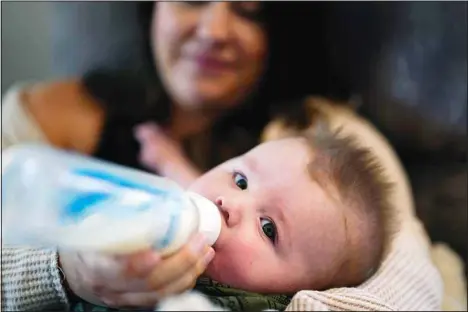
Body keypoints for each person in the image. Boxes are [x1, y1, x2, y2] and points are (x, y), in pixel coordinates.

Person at [1, 2, 331, 311]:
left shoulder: (324, 139)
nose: (213, 31)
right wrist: (62, 271)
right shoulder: (49, 115)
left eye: (248, 11)